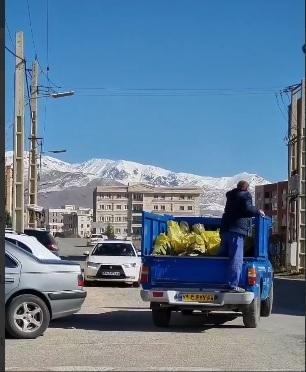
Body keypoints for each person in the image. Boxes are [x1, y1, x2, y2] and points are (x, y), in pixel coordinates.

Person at [220, 180, 265, 293]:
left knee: (223, 256)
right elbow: (247, 209)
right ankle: (232, 285)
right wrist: (258, 211)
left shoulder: (231, 195)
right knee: (236, 258)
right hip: (237, 230)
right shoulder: (245, 195)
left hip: (225, 229)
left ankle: (219, 282)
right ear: (246, 188)